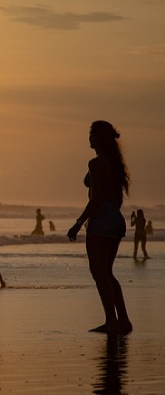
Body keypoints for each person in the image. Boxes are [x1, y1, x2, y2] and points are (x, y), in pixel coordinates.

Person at [68, 120, 132, 335]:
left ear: (97, 138)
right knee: (107, 273)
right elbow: (115, 198)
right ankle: (122, 320)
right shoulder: (113, 164)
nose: (89, 137)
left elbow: (95, 199)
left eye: (91, 133)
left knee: (99, 273)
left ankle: (111, 322)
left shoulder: (96, 164)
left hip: (102, 218)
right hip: (115, 218)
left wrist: (78, 223)